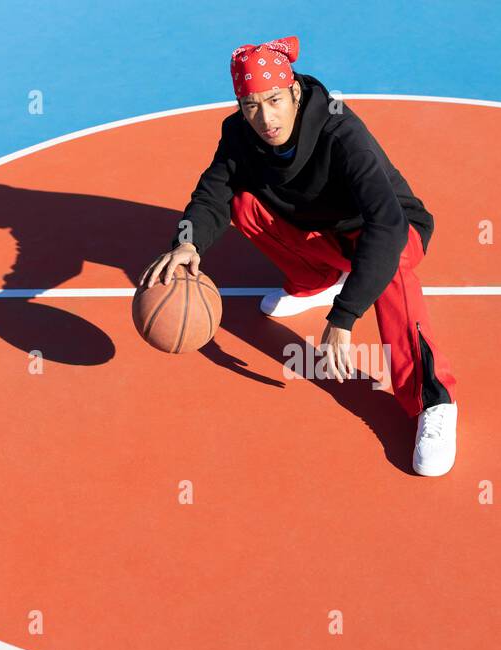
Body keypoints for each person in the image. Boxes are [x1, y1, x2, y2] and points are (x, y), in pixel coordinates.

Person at [141, 35, 459, 476]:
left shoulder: (340, 131)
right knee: (242, 203)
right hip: (322, 235)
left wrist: (344, 318)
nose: (265, 117)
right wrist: (187, 241)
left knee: (393, 264)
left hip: (387, 230)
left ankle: (434, 401)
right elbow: (212, 192)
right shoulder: (238, 134)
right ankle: (316, 280)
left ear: (293, 91)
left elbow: (387, 227)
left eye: (273, 100)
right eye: (250, 105)